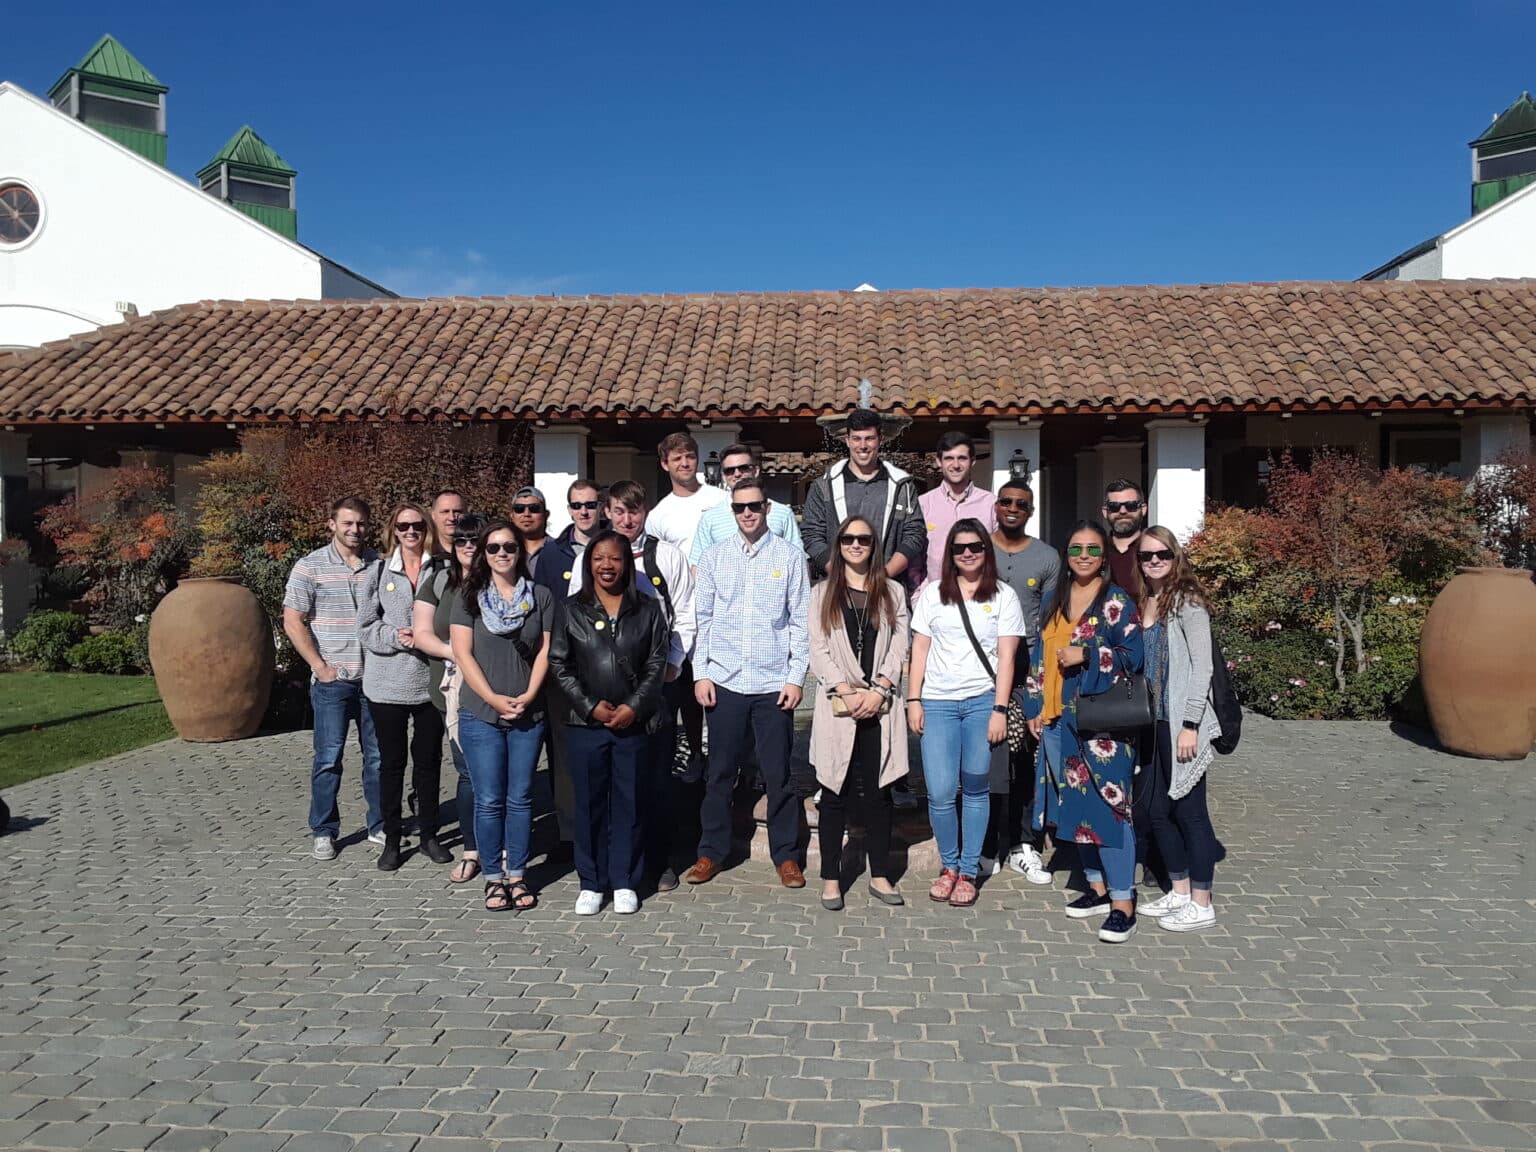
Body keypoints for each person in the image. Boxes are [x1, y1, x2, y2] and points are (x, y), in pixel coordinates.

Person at [1024, 520, 1145, 943]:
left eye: (1093, 550)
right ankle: (1094, 886)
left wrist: (1088, 652)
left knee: (1111, 809)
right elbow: (1040, 654)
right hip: (1059, 722)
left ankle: (1123, 902)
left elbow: (1134, 656)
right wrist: (1034, 705)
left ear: (1104, 556)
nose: (1084, 557)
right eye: (1076, 549)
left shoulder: (1115, 602)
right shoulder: (1057, 599)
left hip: (1102, 726)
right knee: (1074, 808)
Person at [574, 480, 697, 891]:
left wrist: (669, 669)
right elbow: (578, 621)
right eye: (619, 511)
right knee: (609, 781)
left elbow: (686, 614)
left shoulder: (668, 556)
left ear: (646, 512)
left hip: (658, 683)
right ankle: (610, 864)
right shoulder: (589, 560)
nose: (627, 519)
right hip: (603, 688)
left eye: (635, 511)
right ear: (607, 511)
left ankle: (658, 860)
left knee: (656, 778)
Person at [687, 479, 811, 888]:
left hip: (773, 684)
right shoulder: (714, 557)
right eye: (740, 508)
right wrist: (701, 673)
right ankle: (710, 852)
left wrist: (796, 679)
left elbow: (800, 623)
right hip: (724, 681)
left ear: (767, 507)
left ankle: (787, 857)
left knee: (779, 775)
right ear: (732, 510)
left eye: (754, 506)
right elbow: (701, 618)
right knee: (719, 772)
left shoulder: (791, 558)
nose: (747, 514)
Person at [548, 531, 672, 916]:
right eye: (599, 558)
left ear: (626, 563)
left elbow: (657, 663)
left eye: (615, 559)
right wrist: (589, 706)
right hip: (586, 725)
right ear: (588, 564)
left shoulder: (648, 609)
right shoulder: (571, 609)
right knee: (588, 804)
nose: (607, 566)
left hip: (633, 724)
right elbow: (559, 663)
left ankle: (625, 880)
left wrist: (634, 707)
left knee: (629, 804)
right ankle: (591, 881)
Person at [907, 519, 1025, 907]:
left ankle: (969, 870)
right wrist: (913, 699)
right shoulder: (933, 595)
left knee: (976, 789)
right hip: (938, 703)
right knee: (940, 791)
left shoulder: (1004, 596)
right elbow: (919, 650)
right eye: (959, 548)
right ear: (950, 554)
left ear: (985, 550)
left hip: (981, 703)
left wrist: (999, 709)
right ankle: (949, 865)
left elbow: (1008, 657)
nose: (968, 553)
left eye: (975, 546)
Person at [451, 520, 555, 912]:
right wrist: (494, 698)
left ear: (519, 552)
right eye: (493, 548)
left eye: (509, 547)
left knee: (520, 797)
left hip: (529, 710)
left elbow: (547, 649)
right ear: (483, 553)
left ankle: (518, 875)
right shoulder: (469, 596)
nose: (501, 554)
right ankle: (494, 877)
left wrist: (529, 693)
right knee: (490, 798)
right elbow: (463, 654)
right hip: (481, 711)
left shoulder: (541, 596)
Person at [808, 516, 910, 910]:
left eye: (863, 539)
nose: (855, 545)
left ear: (874, 545)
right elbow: (818, 647)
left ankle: (880, 874)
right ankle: (831, 878)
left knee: (880, 793)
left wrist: (881, 686)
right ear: (839, 544)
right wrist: (845, 690)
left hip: (880, 705)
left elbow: (901, 643)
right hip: (839, 706)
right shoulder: (822, 593)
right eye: (848, 538)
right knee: (834, 792)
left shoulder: (894, 592)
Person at [1132, 526, 1224, 933]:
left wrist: (1190, 724)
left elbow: (1202, 666)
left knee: (1190, 811)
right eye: (1146, 556)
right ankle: (1180, 890)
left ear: (1176, 556)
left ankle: (1202, 902)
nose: (1154, 561)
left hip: (1181, 724)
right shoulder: (1146, 599)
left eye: (1162, 555)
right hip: (1151, 722)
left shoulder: (1187, 602)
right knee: (1154, 809)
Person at [283, 496, 383, 861]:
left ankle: (380, 824)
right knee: (328, 757)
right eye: (347, 523)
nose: (354, 530)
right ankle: (324, 830)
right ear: (332, 524)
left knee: (378, 758)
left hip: (375, 679)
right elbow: (293, 620)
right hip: (333, 681)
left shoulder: (380, 565)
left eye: (360, 523)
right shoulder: (310, 567)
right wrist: (319, 666)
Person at [356, 502, 450, 871]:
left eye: (417, 526)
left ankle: (429, 833)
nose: (410, 532)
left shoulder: (442, 569)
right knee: (391, 764)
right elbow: (365, 626)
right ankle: (392, 838)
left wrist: (431, 636)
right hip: (386, 683)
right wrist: (395, 635)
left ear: (426, 529)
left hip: (429, 682)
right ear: (393, 530)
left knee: (428, 761)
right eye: (403, 526)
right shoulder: (377, 570)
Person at [988, 478, 1061, 886]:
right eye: (1007, 501)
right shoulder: (978, 549)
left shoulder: (1047, 557)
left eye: (1022, 503)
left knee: (1027, 760)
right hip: (983, 670)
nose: (1013, 508)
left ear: (1030, 511)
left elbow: (1049, 624)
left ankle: (1024, 843)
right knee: (990, 758)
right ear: (996, 506)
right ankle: (988, 843)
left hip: (1028, 671)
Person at [530, 478, 607, 850]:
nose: (584, 512)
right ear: (569, 509)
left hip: (609, 667)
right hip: (565, 668)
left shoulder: (613, 547)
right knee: (563, 755)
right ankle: (569, 834)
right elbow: (543, 612)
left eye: (591, 504)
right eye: (577, 505)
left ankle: (606, 831)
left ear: (601, 506)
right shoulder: (551, 554)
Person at [412, 512, 485, 883]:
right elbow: (421, 632)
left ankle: (499, 846)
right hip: (452, 689)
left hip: (493, 691)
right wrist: (459, 653)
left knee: (496, 775)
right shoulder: (440, 581)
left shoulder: (499, 580)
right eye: (461, 540)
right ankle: (473, 851)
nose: (468, 547)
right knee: (468, 773)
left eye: (475, 540)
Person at [802, 408, 926, 581]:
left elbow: (915, 534)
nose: (863, 446)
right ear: (847, 440)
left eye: (869, 438)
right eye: (856, 439)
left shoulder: (903, 487)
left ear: (880, 440)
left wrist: (884, 575)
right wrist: (842, 576)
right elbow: (811, 534)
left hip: (887, 585)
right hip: (837, 588)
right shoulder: (823, 487)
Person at [689, 443, 802, 565]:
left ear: (756, 470)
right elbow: (698, 566)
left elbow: (798, 561)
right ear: (723, 476)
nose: (737, 474)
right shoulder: (710, 518)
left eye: (743, 468)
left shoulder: (783, 514)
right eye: (730, 470)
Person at [910, 432, 996, 591]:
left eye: (962, 458)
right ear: (938, 461)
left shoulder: (991, 504)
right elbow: (915, 560)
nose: (955, 465)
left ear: (972, 461)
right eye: (949, 458)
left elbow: (999, 555)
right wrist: (919, 598)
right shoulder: (923, 505)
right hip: (937, 599)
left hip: (980, 597)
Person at [646, 431, 728, 562]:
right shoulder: (657, 515)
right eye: (677, 458)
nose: (685, 463)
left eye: (690, 457)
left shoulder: (723, 499)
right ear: (665, 464)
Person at [1102, 479, 1146, 592]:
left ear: (1143, 509)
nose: (1122, 511)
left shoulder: (1159, 553)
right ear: (1105, 512)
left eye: (1131, 505)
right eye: (1114, 506)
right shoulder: (1096, 550)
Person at [510, 486, 554, 581]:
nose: (526, 514)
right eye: (519, 509)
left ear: (546, 514)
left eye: (534, 508)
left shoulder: (560, 550)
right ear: (512, 515)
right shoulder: (503, 550)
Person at [429, 490, 466, 561]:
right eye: (445, 512)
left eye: (457, 511)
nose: (452, 518)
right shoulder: (425, 554)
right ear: (433, 515)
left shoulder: (479, 552)